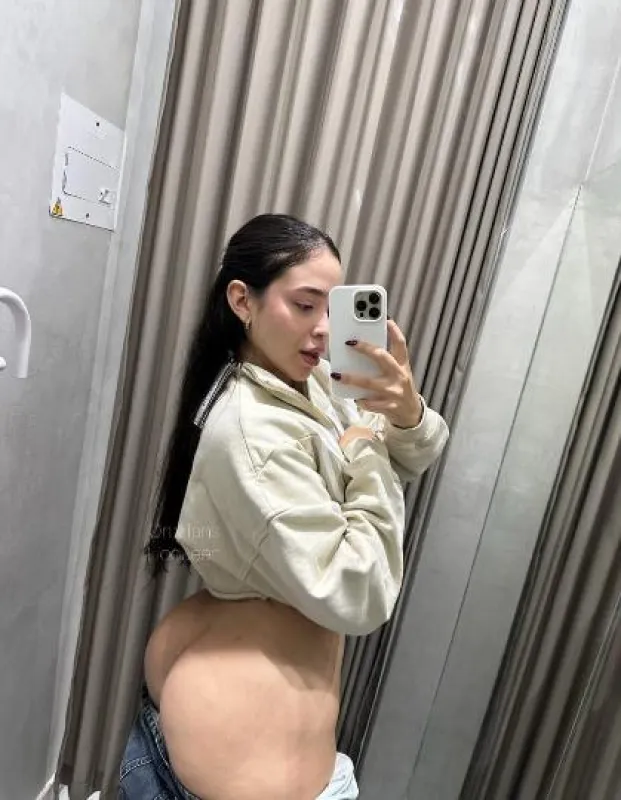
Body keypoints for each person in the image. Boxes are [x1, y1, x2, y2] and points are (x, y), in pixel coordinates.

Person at [118, 213, 449, 800]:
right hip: (237, 756)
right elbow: (358, 588)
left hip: (216, 723)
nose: (324, 330)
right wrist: (366, 449)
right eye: (304, 305)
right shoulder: (254, 430)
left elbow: (404, 453)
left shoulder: (310, 381)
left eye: (332, 307)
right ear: (242, 301)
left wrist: (405, 414)